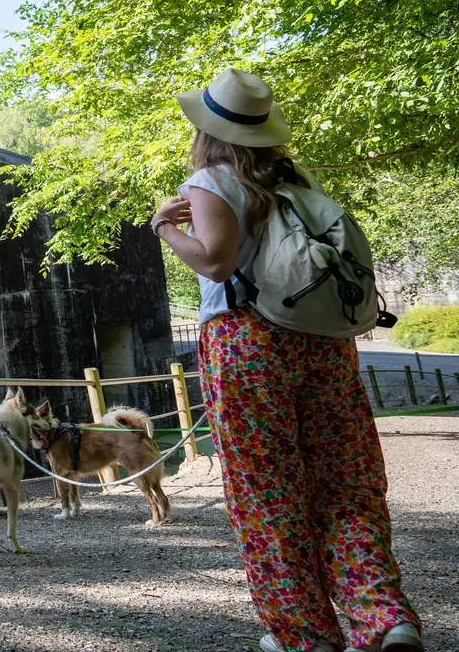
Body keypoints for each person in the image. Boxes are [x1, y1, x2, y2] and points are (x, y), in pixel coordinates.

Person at [151, 69, 421, 652]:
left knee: (266, 490)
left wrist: (166, 229)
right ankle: (384, 617)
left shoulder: (210, 181)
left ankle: (305, 635)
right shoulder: (299, 183)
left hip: (248, 346)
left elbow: (217, 264)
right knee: (345, 482)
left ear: (208, 130)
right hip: (322, 341)